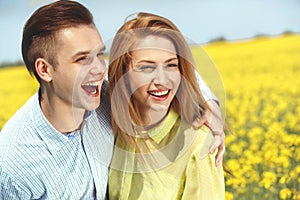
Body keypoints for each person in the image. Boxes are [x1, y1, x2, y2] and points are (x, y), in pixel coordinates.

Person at [0, 1, 114, 199]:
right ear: (45, 70)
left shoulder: (108, 95)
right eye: (82, 59)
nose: (99, 69)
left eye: (99, 54)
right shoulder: (13, 164)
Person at [108, 12, 225, 199]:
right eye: (146, 67)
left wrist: (211, 105)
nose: (162, 80)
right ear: (122, 74)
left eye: (171, 65)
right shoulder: (110, 126)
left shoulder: (198, 144)